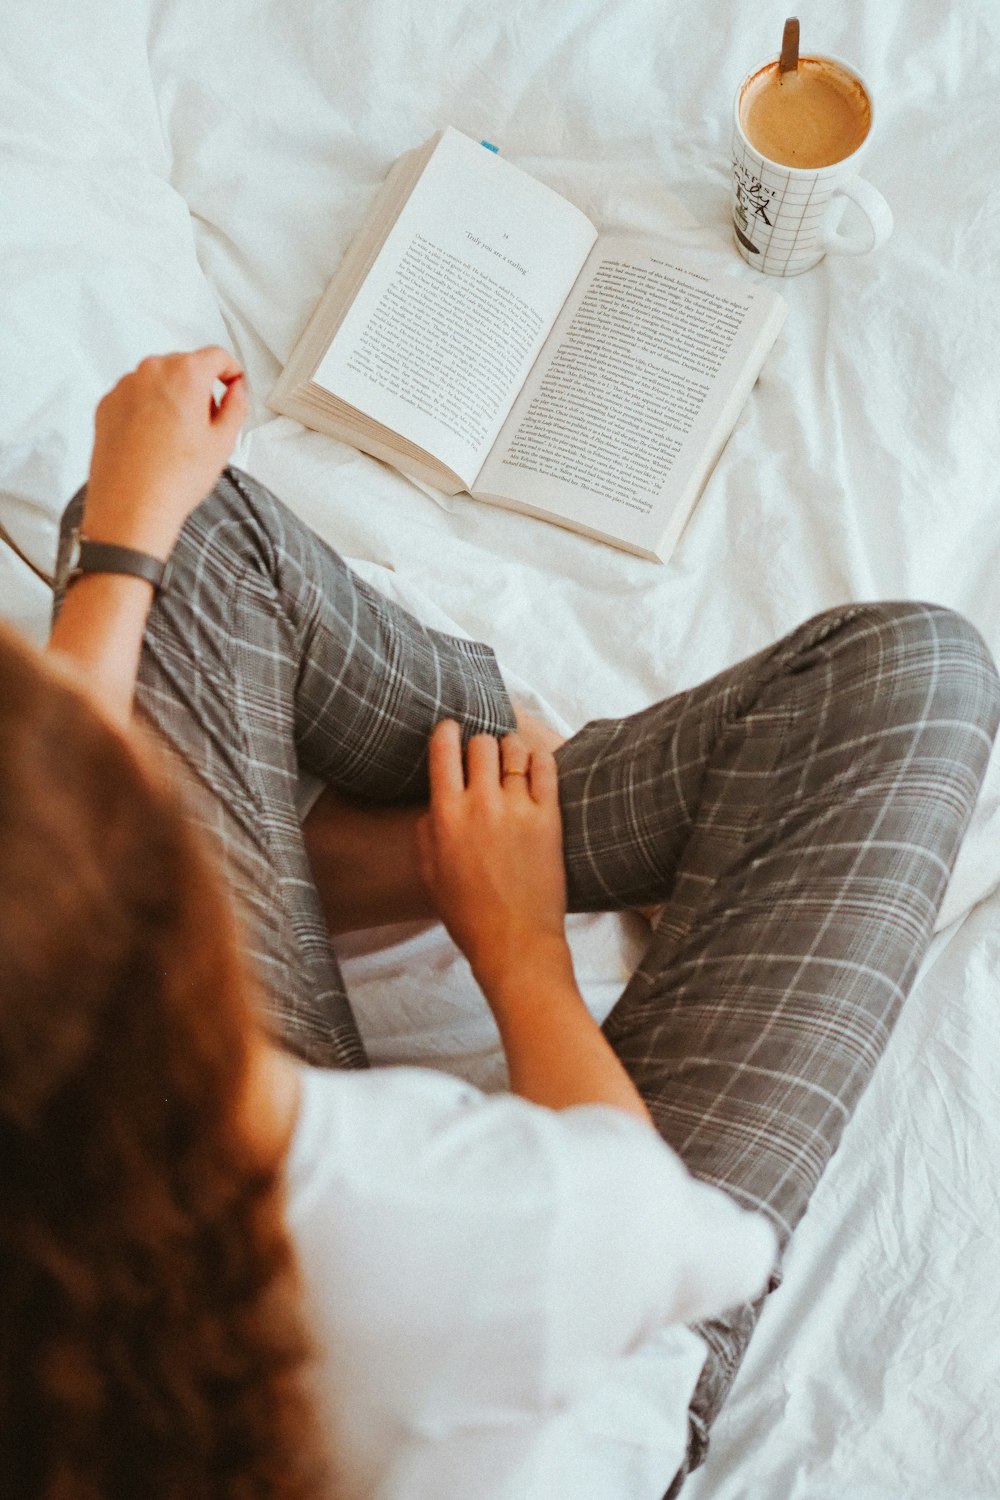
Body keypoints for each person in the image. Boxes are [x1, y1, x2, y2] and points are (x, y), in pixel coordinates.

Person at [4, 346, 998, 1498]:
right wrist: (515, 944)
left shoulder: (61, 1096)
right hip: (593, 1339)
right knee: (910, 672)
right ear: (148, 905)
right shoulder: (448, 1215)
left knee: (165, 526)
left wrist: (125, 542)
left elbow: (58, 781)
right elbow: (659, 1233)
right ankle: (459, 828)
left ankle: (380, 857)